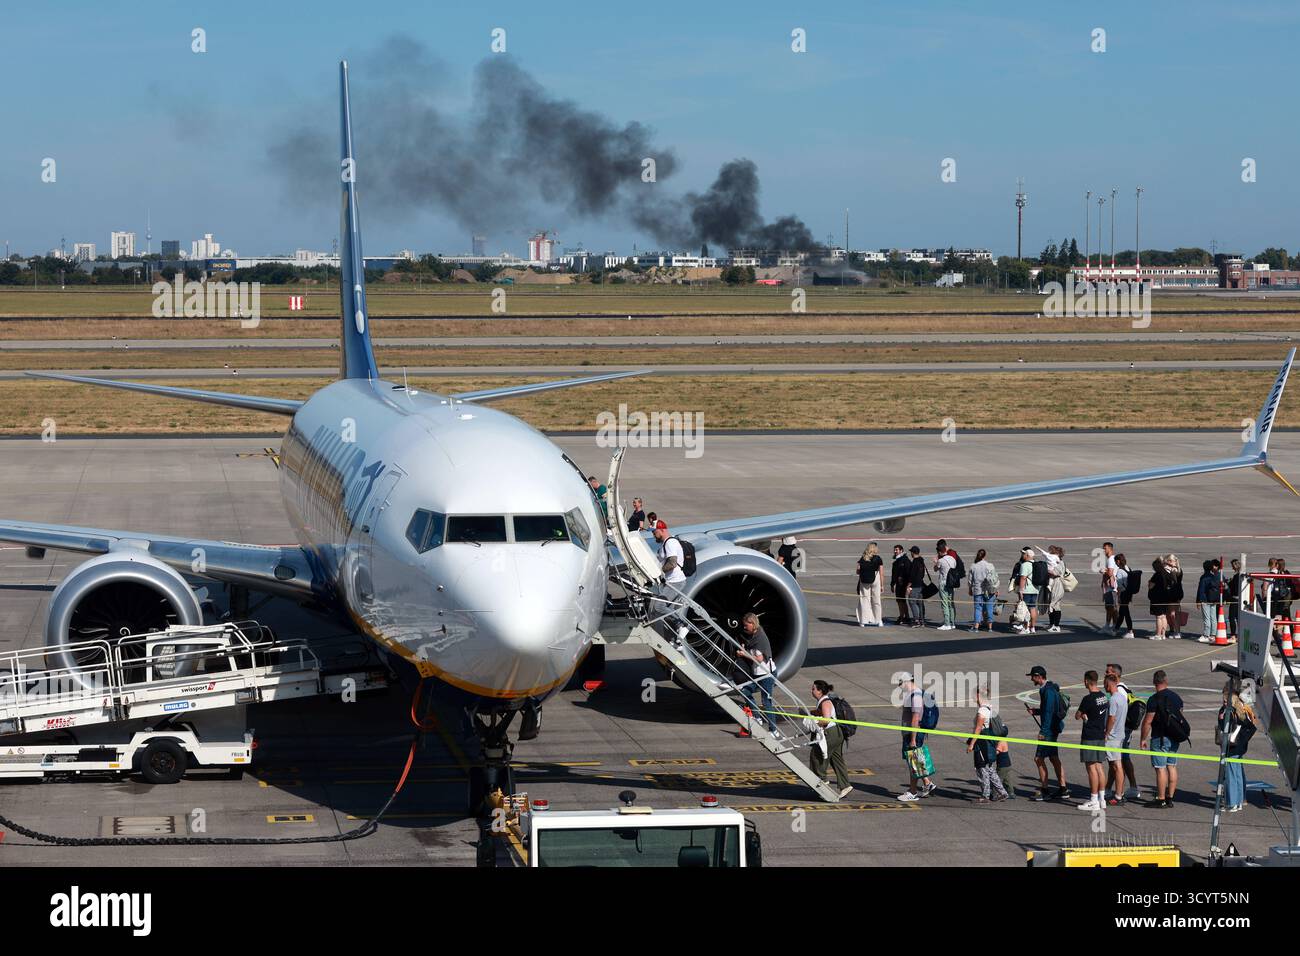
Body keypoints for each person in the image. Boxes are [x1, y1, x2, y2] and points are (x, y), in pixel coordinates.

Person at [1140, 670, 1185, 808]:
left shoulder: (1154, 699)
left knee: (1160, 768)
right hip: (1174, 736)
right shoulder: (1176, 698)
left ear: (1154, 682)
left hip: (1159, 737)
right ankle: (1170, 797)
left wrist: (1143, 738)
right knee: (1171, 766)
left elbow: (1148, 721)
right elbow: (1180, 717)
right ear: (1166, 681)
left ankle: (1160, 799)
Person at [1026, 665, 1067, 800]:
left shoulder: (1047, 691)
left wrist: (1043, 731)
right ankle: (1063, 788)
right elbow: (1047, 710)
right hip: (1053, 728)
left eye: (1033, 676)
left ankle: (1045, 791)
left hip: (1048, 730)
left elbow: (1049, 712)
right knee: (1054, 758)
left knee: (1038, 758)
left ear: (1039, 676)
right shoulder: (1049, 688)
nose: (1032, 679)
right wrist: (1036, 711)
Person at [807, 680, 852, 798]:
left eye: (813, 689)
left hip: (830, 734)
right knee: (836, 759)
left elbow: (826, 720)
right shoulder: (824, 701)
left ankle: (822, 781)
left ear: (820, 691)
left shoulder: (825, 702)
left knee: (816, 756)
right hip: (837, 733)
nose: (811, 691)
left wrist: (814, 723)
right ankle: (845, 785)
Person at [1218, 678, 1258, 812]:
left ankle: (1232, 803)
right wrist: (1243, 740)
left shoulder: (1229, 712)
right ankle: (1240, 801)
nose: (1223, 701)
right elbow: (1251, 727)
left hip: (1232, 747)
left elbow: (1225, 728)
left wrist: (1240, 739)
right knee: (1238, 774)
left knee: (1231, 775)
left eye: (1225, 698)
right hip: (1239, 747)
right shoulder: (1241, 710)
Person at [1105, 662, 1141, 802]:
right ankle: (1119, 788)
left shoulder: (1118, 691)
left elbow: (1115, 716)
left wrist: (1108, 732)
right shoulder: (1124, 687)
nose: (1105, 675)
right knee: (1121, 760)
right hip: (1124, 730)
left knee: (1118, 761)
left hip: (1120, 731)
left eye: (1107, 673)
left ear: (1114, 675)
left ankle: (1121, 790)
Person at [897, 674, 936, 802]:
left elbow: (915, 718)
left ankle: (912, 792)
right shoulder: (914, 694)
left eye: (901, 684)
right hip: (911, 733)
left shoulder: (916, 696)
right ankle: (927, 783)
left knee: (912, 762)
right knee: (915, 761)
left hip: (913, 734)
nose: (901, 687)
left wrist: (913, 739)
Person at [736, 612, 777, 733]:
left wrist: (744, 654)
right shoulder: (754, 636)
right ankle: (757, 717)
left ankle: (773, 730)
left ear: (752, 624)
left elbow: (759, 659)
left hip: (766, 674)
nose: (744, 627)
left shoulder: (759, 638)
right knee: (745, 691)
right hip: (757, 674)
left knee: (766, 702)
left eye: (746, 625)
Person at [1075, 671, 1110, 811]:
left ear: (1087, 681)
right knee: (1099, 767)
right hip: (1100, 735)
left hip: (1089, 736)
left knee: (1091, 769)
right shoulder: (1103, 697)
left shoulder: (1088, 699)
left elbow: (1077, 715)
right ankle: (1102, 799)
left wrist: (1083, 715)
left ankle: (1094, 800)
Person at [968, 687, 1009, 802]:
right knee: (990, 768)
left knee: (981, 768)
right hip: (990, 743)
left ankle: (985, 795)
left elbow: (978, 729)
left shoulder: (982, 711)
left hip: (982, 744)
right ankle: (1002, 792)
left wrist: (971, 744)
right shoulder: (990, 707)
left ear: (977, 695)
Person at [1101, 671, 1129, 806]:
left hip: (1113, 737)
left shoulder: (1113, 699)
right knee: (1115, 764)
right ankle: (1119, 792)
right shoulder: (1122, 698)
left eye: (1104, 684)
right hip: (1120, 734)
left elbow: (1112, 718)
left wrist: (1106, 732)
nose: (1104, 687)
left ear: (1109, 684)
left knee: (1117, 765)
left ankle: (1118, 795)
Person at [1148, 554, 1184, 640]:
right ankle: (1169, 631)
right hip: (1177, 592)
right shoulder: (1178, 569)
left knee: (1167, 614)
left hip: (1171, 594)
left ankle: (1165, 633)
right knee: (1170, 614)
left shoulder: (1170, 571)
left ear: (1170, 561)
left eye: (1166, 561)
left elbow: (1152, 585)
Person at [968, 548, 998, 632]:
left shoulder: (973, 566)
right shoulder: (990, 565)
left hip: (978, 590)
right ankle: (990, 627)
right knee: (989, 608)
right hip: (989, 590)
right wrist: (996, 589)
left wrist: (970, 589)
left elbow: (970, 580)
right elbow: (994, 579)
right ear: (985, 556)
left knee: (978, 608)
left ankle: (976, 627)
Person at [855, 543, 884, 627]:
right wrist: (882, 585)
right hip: (876, 577)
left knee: (864, 599)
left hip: (864, 580)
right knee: (876, 600)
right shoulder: (878, 559)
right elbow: (881, 573)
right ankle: (878, 620)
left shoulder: (863, 558)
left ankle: (863, 621)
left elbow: (857, 571)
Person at [1196, 558, 1223, 644]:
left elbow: (1201, 590)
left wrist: (1198, 601)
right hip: (1213, 599)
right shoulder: (1213, 576)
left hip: (1205, 600)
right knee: (1213, 618)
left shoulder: (1204, 577)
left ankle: (1206, 635)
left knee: (1206, 618)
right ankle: (1213, 634)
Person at [1013, 547, 1039, 634]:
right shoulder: (1036, 564)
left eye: (1024, 554)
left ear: (1027, 555)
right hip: (1035, 589)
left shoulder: (1025, 565)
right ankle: (1033, 627)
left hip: (1027, 590)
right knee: (1032, 608)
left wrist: (1021, 590)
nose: (1023, 555)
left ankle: (1026, 628)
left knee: (1024, 609)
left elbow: (1023, 578)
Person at [934, 540, 957, 631]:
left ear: (940, 552)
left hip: (943, 583)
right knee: (951, 603)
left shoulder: (941, 560)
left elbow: (936, 569)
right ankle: (952, 622)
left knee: (944, 603)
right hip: (952, 583)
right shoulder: (952, 559)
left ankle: (947, 623)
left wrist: (936, 562)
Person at [1044, 545, 1066, 633]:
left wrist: (1046, 570)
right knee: (1051, 604)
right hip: (1053, 584)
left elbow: (1056, 573)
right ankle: (1052, 624)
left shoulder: (1060, 563)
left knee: (1055, 605)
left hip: (1058, 584)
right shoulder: (1055, 562)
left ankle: (1056, 625)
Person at [1114, 553, 1136, 639]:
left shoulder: (1120, 571)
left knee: (1125, 613)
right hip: (1129, 593)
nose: (1115, 563)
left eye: (1116, 561)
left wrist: (1118, 597)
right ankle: (1116, 630)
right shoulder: (1128, 568)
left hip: (1123, 594)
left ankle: (1130, 631)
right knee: (1122, 612)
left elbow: (1119, 586)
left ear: (1118, 561)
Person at [890, 544, 912, 625]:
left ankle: (902, 617)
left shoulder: (905, 560)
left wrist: (908, 584)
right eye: (894, 550)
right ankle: (906, 617)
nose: (895, 551)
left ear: (901, 550)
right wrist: (892, 584)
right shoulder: (896, 561)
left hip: (903, 584)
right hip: (899, 584)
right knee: (901, 601)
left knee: (901, 601)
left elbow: (909, 573)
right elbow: (894, 574)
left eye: (897, 550)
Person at [906, 546, 928, 627]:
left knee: (912, 602)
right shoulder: (921, 561)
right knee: (920, 603)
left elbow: (912, 575)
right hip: (920, 585)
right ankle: (922, 620)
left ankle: (916, 620)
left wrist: (908, 586)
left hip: (915, 585)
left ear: (913, 552)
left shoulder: (915, 562)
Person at [1100, 541, 1120, 633]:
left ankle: (1114, 626)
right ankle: (1108, 625)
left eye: (1105, 548)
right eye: (1103, 548)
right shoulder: (1111, 559)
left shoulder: (1111, 559)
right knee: (1109, 607)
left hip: (1112, 587)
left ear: (1110, 549)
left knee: (1112, 607)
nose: (1104, 550)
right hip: (1109, 587)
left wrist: (1103, 571)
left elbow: (1111, 573)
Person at [1226, 558, 1244, 639]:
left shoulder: (1237, 576)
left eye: (1233, 566)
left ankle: (1233, 635)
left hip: (1235, 598)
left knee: (1232, 617)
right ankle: (1240, 634)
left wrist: (1228, 584)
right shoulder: (1241, 575)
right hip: (1241, 599)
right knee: (1238, 617)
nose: (1232, 568)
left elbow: (1234, 588)